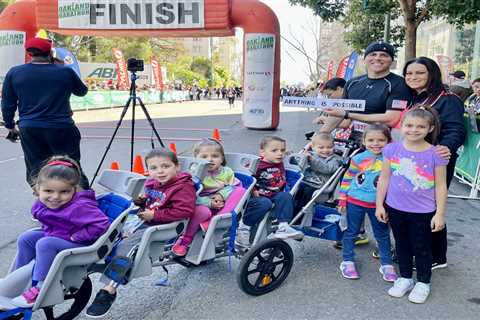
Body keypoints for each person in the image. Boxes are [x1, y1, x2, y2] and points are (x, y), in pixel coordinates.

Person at [86, 148, 196, 318]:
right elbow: (151, 201)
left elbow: (185, 211)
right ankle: (89, 261)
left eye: (165, 166)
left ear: (176, 167)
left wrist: (155, 215)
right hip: (144, 219)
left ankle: (109, 289)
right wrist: (141, 201)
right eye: (154, 168)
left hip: (163, 227)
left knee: (126, 247)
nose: (159, 171)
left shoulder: (182, 187)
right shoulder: (152, 183)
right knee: (109, 230)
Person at [10, 156, 110, 307]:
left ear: (74, 190)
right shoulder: (41, 203)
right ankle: (16, 279)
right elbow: (47, 221)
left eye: (64, 191)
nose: (55, 197)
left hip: (82, 244)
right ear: (37, 189)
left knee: (46, 244)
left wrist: (78, 236)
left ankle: (41, 287)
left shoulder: (80, 206)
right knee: (27, 237)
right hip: (59, 235)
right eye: (48, 191)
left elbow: (101, 224)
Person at [376, 107, 448, 304]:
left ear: (430, 128)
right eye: (409, 125)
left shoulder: (436, 154)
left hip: (423, 212)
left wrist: (439, 214)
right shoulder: (391, 149)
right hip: (395, 208)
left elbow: (441, 186)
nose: (413, 130)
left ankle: (423, 282)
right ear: (401, 126)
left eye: (420, 126)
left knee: (422, 247)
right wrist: (379, 205)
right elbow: (384, 178)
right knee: (401, 245)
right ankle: (405, 278)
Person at [402, 57, 466, 269]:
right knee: (415, 208)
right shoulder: (415, 98)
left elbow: (456, 130)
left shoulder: (448, 99)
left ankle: (435, 256)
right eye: (409, 73)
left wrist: (445, 147)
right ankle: (414, 249)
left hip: (435, 161)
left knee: (430, 208)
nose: (413, 77)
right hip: (412, 161)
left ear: (432, 74)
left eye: (419, 73)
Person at [1, 37, 90, 189]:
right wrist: (65, 68)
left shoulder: (15, 73)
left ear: (29, 53)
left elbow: (7, 103)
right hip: (61, 127)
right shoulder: (64, 71)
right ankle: (83, 200)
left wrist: (10, 126)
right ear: (50, 53)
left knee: (36, 168)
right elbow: (82, 91)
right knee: (71, 166)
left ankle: (45, 203)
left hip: (30, 127)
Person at [337, 124, 397, 282]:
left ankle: (386, 264)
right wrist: (342, 198)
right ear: (364, 141)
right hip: (354, 201)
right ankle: (347, 261)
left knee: (382, 234)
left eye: (381, 140)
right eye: (371, 140)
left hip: (378, 205)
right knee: (351, 231)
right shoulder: (357, 158)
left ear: (389, 141)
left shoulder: (392, 160)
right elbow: (348, 178)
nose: (375, 143)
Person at [318, 40, 412, 135]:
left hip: (383, 142)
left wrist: (347, 115)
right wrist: (320, 136)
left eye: (384, 55)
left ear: (392, 61)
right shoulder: (352, 83)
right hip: (354, 141)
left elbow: (391, 119)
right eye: (373, 54)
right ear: (364, 60)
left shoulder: (399, 83)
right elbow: (338, 114)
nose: (378, 58)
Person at [172, 139, 246, 256]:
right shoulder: (194, 174)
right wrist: (209, 202)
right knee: (202, 211)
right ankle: (185, 240)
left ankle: (216, 221)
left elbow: (236, 186)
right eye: (204, 156)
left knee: (241, 191)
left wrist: (221, 195)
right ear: (196, 159)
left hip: (222, 206)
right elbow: (189, 196)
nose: (210, 159)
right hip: (201, 203)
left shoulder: (226, 172)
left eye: (215, 156)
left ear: (222, 159)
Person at [237, 136, 303, 246]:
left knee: (286, 196)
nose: (280, 153)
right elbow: (248, 177)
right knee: (264, 203)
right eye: (274, 150)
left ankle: (283, 226)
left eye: (282, 150)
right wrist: (253, 190)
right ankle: (244, 228)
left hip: (275, 194)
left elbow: (290, 158)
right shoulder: (258, 164)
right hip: (259, 196)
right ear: (262, 152)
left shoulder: (280, 161)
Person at [294, 133, 342, 213]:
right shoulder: (312, 155)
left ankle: (298, 216)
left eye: (329, 147)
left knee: (306, 191)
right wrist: (299, 158)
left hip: (320, 187)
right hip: (307, 181)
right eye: (321, 147)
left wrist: (312, 160)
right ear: (313, 147)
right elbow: (298, 166)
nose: (325, 150)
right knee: (295, 188)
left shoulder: (335, 160)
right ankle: (288, 212)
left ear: (333, 147)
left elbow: (327, 169)